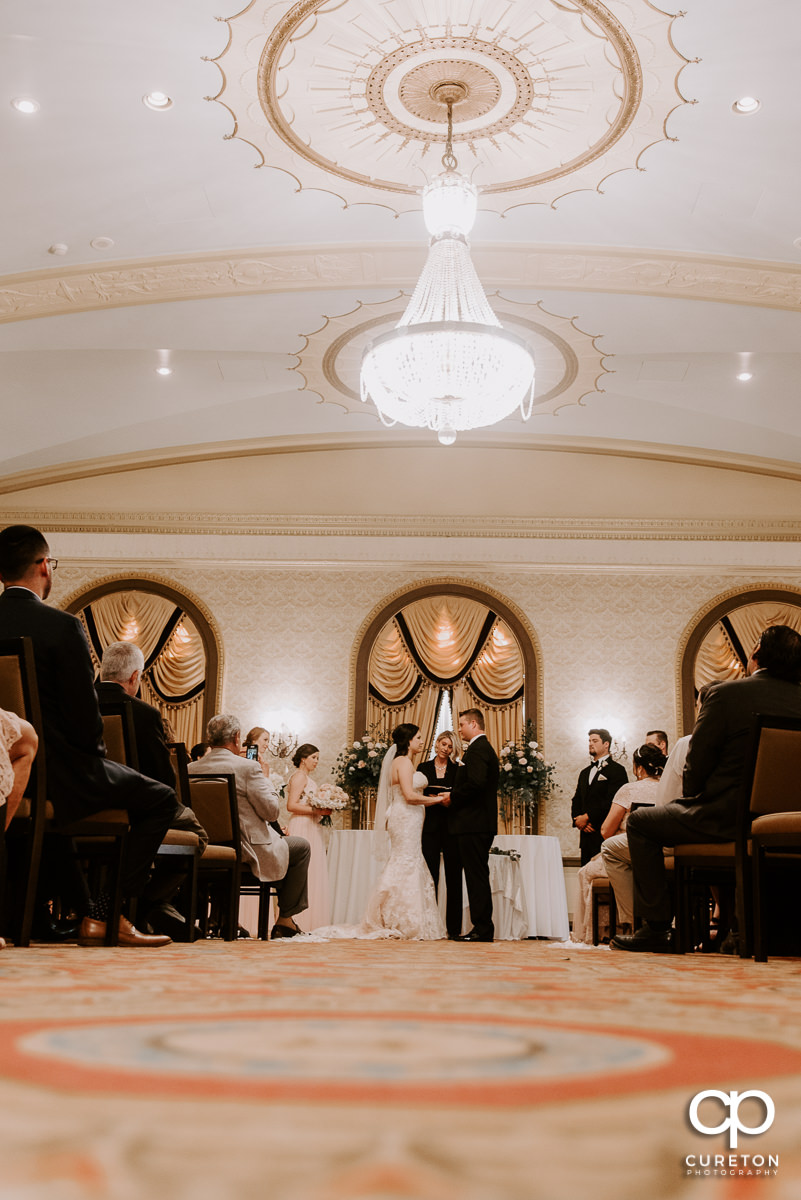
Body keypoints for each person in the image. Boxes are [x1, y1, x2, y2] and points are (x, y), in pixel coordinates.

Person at [0, 524, 177, 948]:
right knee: (162, 799)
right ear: (44, 566)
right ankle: (103, 913)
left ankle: (86, 913)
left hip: (6, 767)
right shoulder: (61, 626)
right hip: (63, 769)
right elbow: (84, 719)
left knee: (63, 818)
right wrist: (98, 761)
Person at [612, 624, 801, 953]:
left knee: (641, 823)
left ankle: (657, 928)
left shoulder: (726, 694)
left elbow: (695, 767)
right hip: (788, 822)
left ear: (754, 656)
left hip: (724, 817)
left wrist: (693, 800)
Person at [296, 723, 448, 941]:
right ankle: (401, 919)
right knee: (405, 861)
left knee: (406, 860)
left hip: (408, 817)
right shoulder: (403, 762)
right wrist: (438, 799)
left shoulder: (402, 762)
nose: (422, 742)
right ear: (408, 741)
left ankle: (396, 916)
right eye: (419, 738)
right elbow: (409, 796)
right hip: (405, 816)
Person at [188, 713, 311, 939]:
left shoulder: (190, 769)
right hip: (248, 851)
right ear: (236, 738)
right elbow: (271, 811)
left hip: (206, 850)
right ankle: (284, 920)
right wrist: (264, 777)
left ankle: (223, 915)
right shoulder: (248, 768)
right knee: (301, 847)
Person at [602, 686, 713, 927]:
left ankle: (641, 923)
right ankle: (715, 917)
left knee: (612, 846)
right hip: (727, 831)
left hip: (685, 834)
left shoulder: (686, 745)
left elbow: (667, 801)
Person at [571, 743, 666, 944]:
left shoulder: (630, 789)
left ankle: (610, 928)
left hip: (628, 850)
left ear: (639, 768)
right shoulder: (670, 789)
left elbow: (606, 831)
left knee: (586, 872)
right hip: (665, 852)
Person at [448, 709, 499, 943]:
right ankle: (482, 927)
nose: (459, 729)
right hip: (477, 823)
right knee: (477, 875)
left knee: (476, 876)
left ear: (473, 724)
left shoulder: (478, 750)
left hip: (474, 823)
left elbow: (476, 783)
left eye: (461, 725)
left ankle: (482, 929)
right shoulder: (480, 748)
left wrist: (453, 796)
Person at [418, 730, 462, 939]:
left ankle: (454, 929)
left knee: (454, 878)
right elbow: (416, 795)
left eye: (450, 746)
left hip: (452, 827)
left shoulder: (458, 769)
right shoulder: (423, 768)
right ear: (436, 743)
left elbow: (461, 796)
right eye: (443, 744)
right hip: (430, 827)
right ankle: (429, 925)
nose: (446, 749)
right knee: (430, 877)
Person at [286, 742, 332, 931]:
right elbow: (291, 805)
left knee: (313, 871)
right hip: (302, 826)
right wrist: (316, 810)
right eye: (314, 757)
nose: (316, 762)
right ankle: (299, 918)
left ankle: (310, 919)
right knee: (303, 873)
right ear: (303, 759)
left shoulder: (307, 778)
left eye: (318, 758)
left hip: (311, 826)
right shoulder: (299, 777)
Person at [570, 729, 628, 865]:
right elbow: (577, 799)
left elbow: (614, 800)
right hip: (585, 837)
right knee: (585, 877)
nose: (590, 744)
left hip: (606, 834)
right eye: (589, 741)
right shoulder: (584, 773)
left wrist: (588, 817)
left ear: (606, 744)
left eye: (595, 741)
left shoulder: (617, 770)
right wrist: (578, 820)